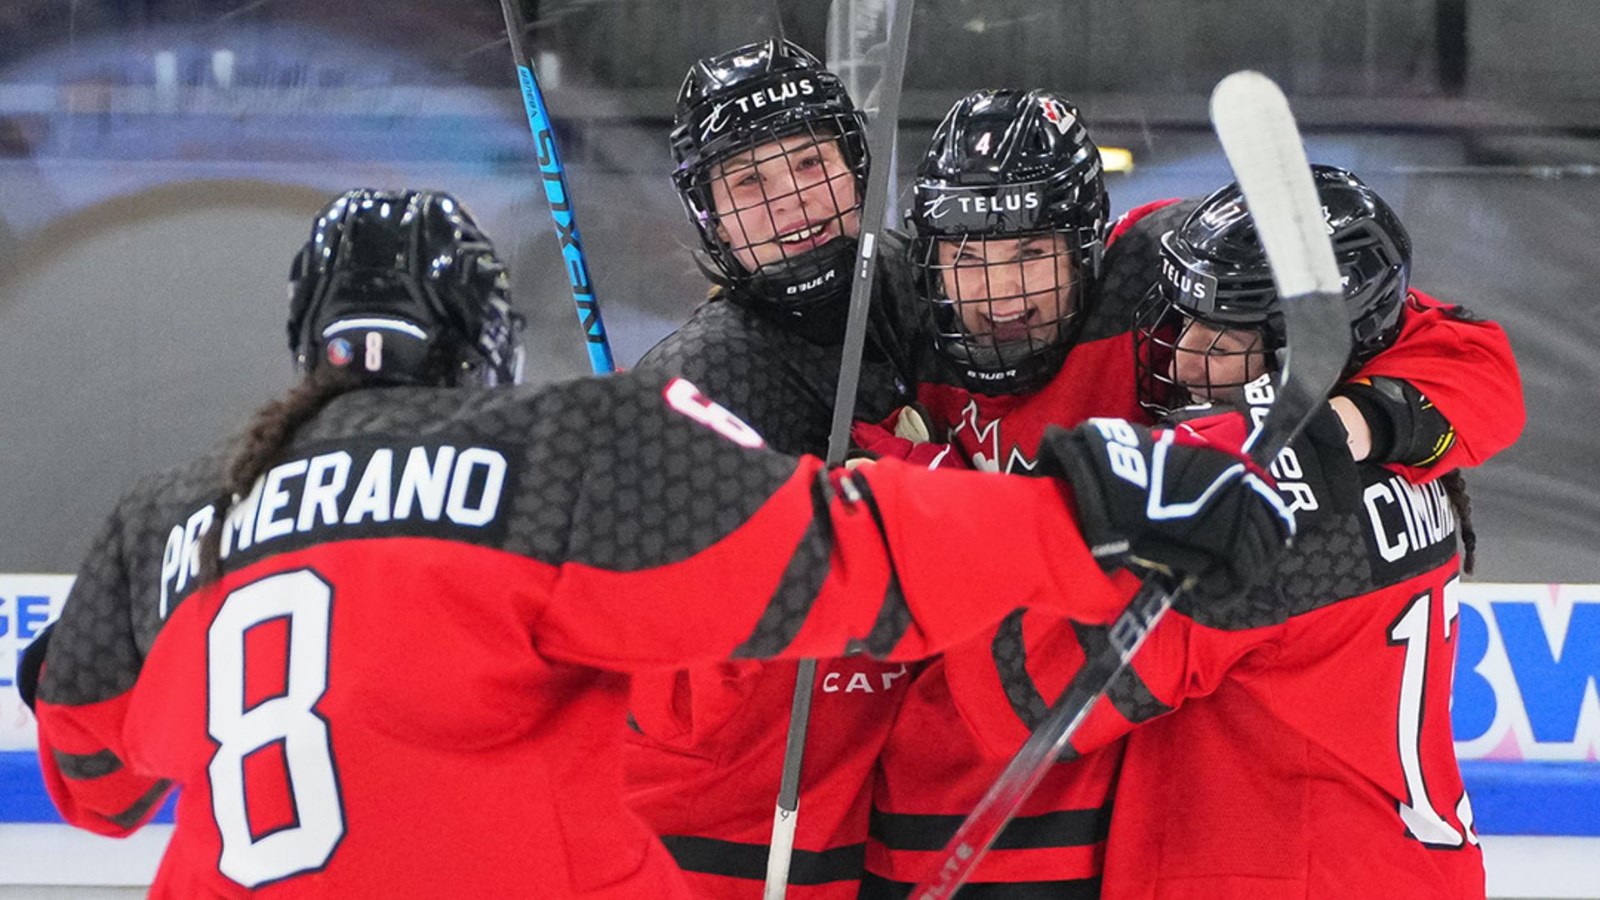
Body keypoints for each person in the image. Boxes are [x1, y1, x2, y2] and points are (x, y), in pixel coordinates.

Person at [16, 188, 1293, 898]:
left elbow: (93, 783)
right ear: (486, 337)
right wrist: (1090, 509)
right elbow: (839, 556)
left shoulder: (174, 516)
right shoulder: (551, 450)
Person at [858, 91, 1524, 896]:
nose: (1001, 292)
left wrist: (924, 496)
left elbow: (1017, 694)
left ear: (1092, 240)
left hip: (1245, 866)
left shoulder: (1247, 512)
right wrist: (1342, 427)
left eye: (1031, 250)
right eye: (968, 258)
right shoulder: (905, 317)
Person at [624, 39, 926, 899]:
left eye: (809, 162)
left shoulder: (921, 290)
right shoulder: (700, 377)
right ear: (712, 216)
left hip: (899, 812)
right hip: (728, 833)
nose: (791, 200)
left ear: (855, 167)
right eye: (749, 182)